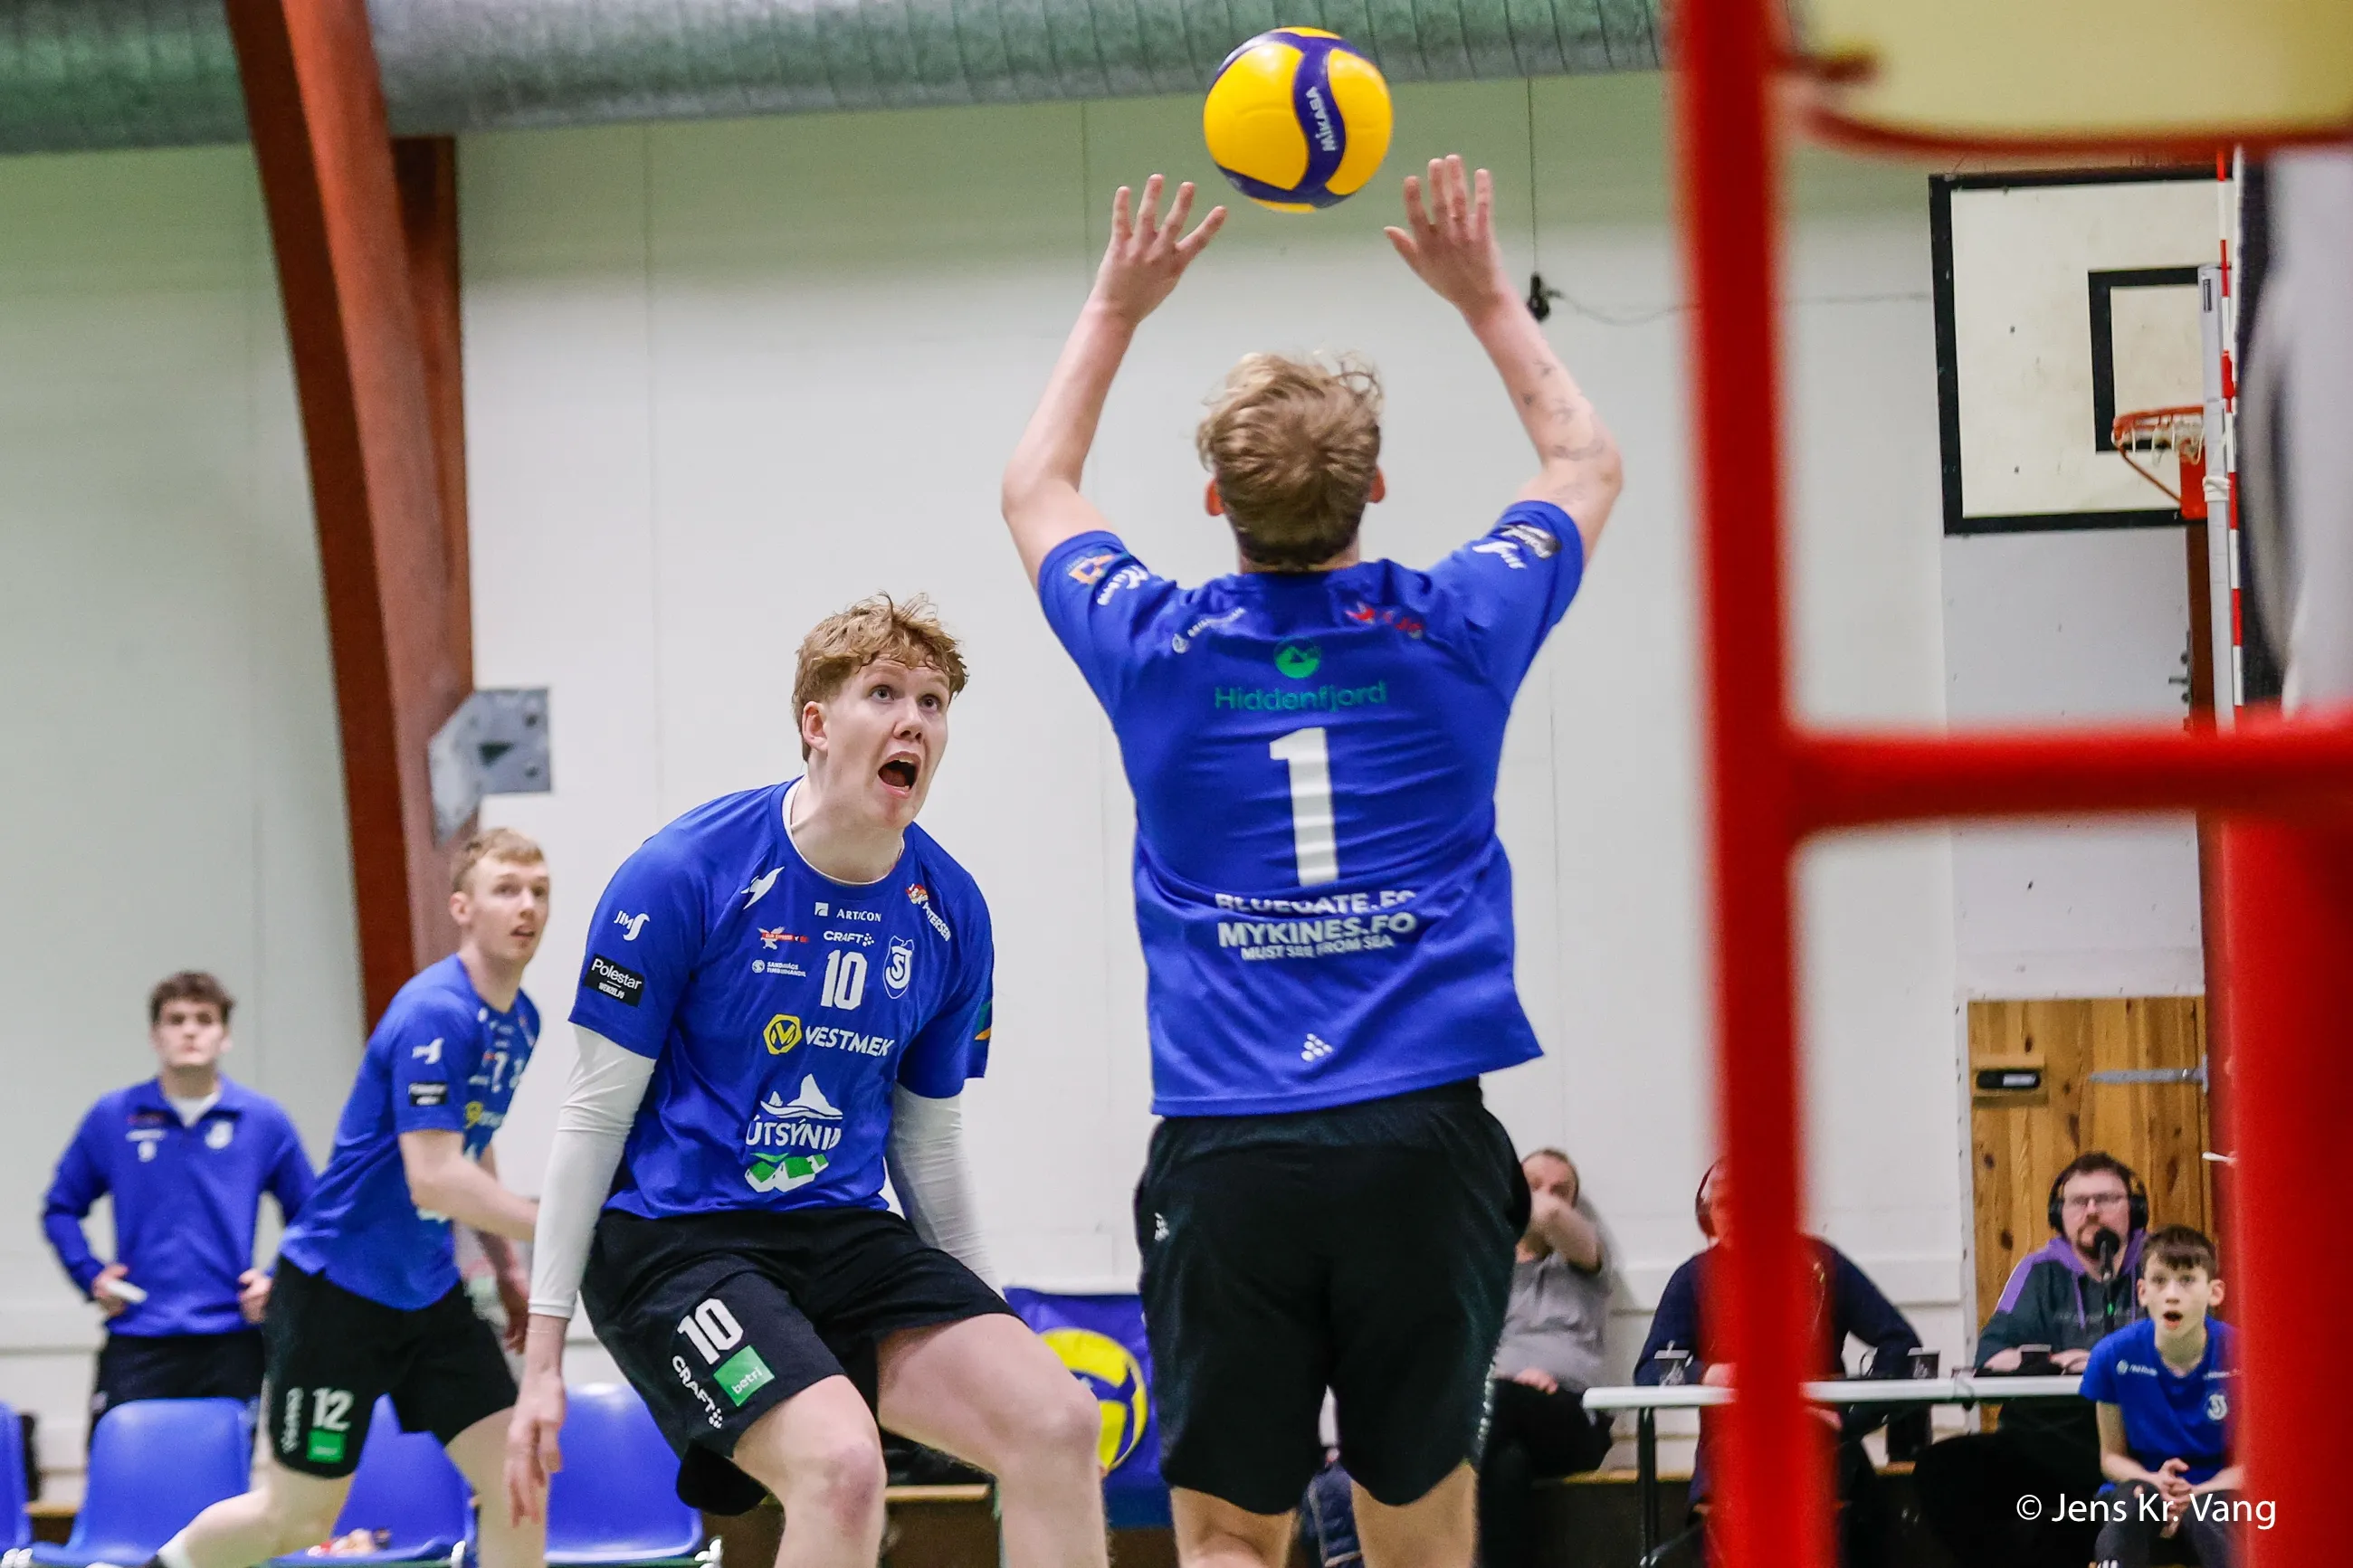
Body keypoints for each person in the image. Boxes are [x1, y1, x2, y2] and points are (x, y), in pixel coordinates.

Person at [999, 156, 1624, 1568]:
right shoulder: (1459, 625)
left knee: (1228, 1533)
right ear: (1376, 489)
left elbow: (1035, 484)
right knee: (1422, 1536)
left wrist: (1118, 304)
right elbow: (1585, 463)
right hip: (1421, 1149)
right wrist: (1484, 296)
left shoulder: (1156, 647)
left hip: (1233, 1153)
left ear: (1213, 501)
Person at [503, 598, 1105, 1568]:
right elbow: (593, 1115)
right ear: (816, 723)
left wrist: (983, 1314)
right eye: (884, 693)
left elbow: (927, 1140)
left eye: (933, 702)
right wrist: (542, 1357)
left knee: (1058, 1421)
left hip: (841, 1229)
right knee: (842, 1466)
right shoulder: (685, 871)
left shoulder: (950, 910)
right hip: (675, 1238)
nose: (914, 721)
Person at [145, 829, 550, 1568]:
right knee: (296, 1519)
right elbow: (433, 1176)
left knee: (519, 1478)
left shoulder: (522, 1020)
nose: (527, 906)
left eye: (539, 891)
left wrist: (508, 1265)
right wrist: (556, 1227)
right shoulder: (436, 1012)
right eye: (506, 889)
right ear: (462, 907)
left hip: (428, 1293)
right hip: (337, 1296)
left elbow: (472, 1139)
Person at [1301, 1148, 1621, 1568]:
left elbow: (1550, 1216)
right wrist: (1505, 1379)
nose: (1547, 1197)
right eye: (1533, 1185)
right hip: (1498, 1418)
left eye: (1561, 1190)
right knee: (1506, 1466)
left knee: (1482, 1407)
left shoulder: (1586, 1265)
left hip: (1571, 1416)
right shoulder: (1475, 1271)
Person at [43, 971, 315, 1436]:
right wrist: (90, 1276)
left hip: (231, 1339)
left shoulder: (263, 1121)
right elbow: (61, 1208)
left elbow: (313, 1216)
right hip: (139, 1336)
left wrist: (278, 1281)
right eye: (176, 1020)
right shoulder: (114, 1117)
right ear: (156, 1036)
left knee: (222, 1475)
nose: (190, 1031)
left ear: (225, 1037)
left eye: (204, 1020)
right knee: (121, 1471)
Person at [1633, 1162, 1920, 1568]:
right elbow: (1650, 1371)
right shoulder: (1694, 1278)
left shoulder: (1821, 1264)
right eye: (1726, 1204)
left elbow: (1902, 1348)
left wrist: (1849, 1416)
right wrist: (1710, 1374)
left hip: (1820, 1446)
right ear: (1707, 1214)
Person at [1913, 1150, 2149, 1568]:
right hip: (2045, 1446)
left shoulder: (2161, 1263)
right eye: (2078, 1202)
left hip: (2138, 1447)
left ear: (2134, 1209)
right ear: (2060, 1215)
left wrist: (2100, 1361)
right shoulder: (2037, 1271)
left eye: (2106, 1199)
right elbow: (1992, 1358)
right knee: (1943, 1469)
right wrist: (2060, 1360)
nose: (2091, 1211)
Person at [2081, 1226, 2242, 1568]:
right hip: (2145, 1485)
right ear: (2142, 1292)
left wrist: (2195, 1493)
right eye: (2159, 1281)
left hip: (2218, 1489)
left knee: (2209, 1514)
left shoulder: (2245, 1354)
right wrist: (2156, 1482)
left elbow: (2255, 1465)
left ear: (2215, 1292)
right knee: (2131, 1504)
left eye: (2187, 1280)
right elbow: (2111, 1457)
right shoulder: (2112, 1355)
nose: (2171, 1295)